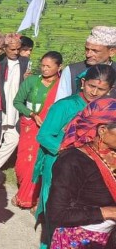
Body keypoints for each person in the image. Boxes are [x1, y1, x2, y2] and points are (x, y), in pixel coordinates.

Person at [34, 64, 116, 249]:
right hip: (59, 161)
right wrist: (67, 148)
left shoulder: (109, 110)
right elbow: (43, 135)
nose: (94, 92)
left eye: (101, 89)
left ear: (110, 90)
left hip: (91, 162)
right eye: (91, 86)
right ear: (83, 83)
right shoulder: (65, 105)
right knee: (56, 214)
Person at [46, 98, 116, 248]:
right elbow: (57, 213)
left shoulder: (113, 154)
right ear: (102, 130)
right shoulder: (73, 161)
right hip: (78, 240)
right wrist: (107, 212)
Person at [11, 51, 62, 209]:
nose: (44, 69)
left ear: (59, 67)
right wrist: (32, 114)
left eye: (48, 66)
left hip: (50, 129)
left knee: (40, 162)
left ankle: (30, 198)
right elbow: (17, 102)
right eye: (42, 65)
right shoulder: (32, 81)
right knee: (23, 162)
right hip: (30, 127)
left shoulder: (62, 87)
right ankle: (24, 191)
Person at [0, 32, 30, 168]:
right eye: (12, 49)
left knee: (13, 139)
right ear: (5, 48)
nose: (16, 52)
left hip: (15, 108)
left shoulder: (24, 63)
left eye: (18, 49)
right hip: (0, 106)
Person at [55, 26, 116, 101]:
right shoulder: (72, 71)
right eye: (87, 49)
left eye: (95, 51)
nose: (88, 54)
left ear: (111, 52)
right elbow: (60, 105)